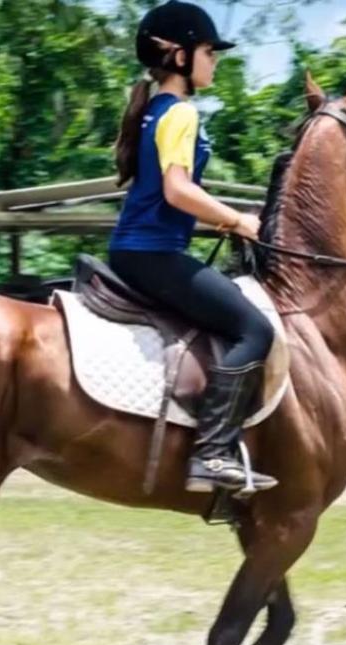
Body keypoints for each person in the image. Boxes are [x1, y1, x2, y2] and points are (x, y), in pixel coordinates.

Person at [109, 1, 277, 496]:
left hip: (140, 250)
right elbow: (177, 191)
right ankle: (212, 453)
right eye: (209, 51)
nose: (215, 60)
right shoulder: (180, 113)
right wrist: (238, 221)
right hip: (151, 253)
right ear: (179, 56)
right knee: (254, 329)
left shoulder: (155, 109)